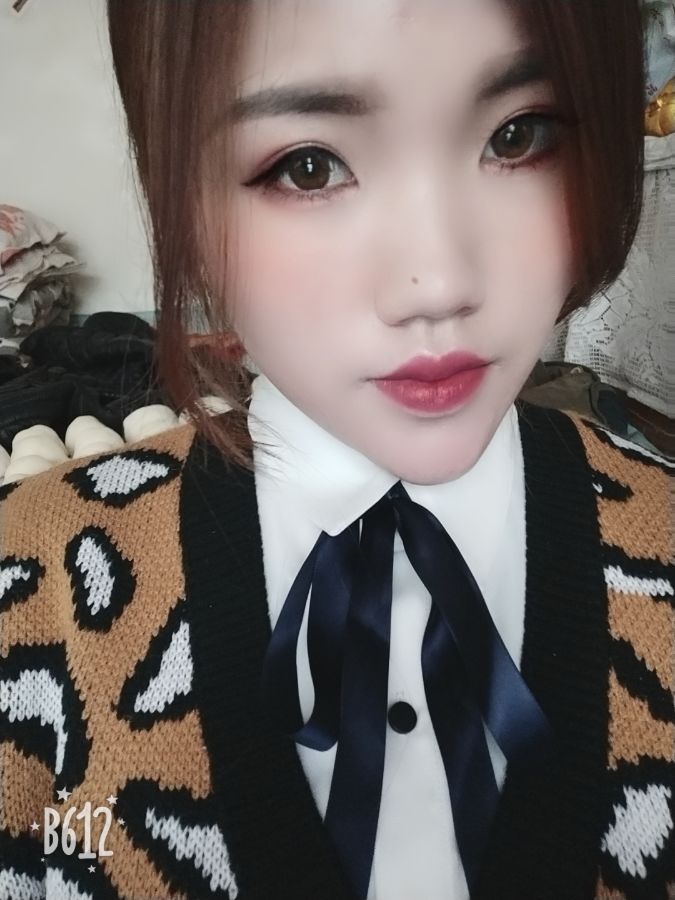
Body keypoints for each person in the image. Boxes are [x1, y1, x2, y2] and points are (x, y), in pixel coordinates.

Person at [0, 2, 672, 898]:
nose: (437, 284)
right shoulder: (27, 582)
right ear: (181, 196)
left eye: (519, 136)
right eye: (308, 166)